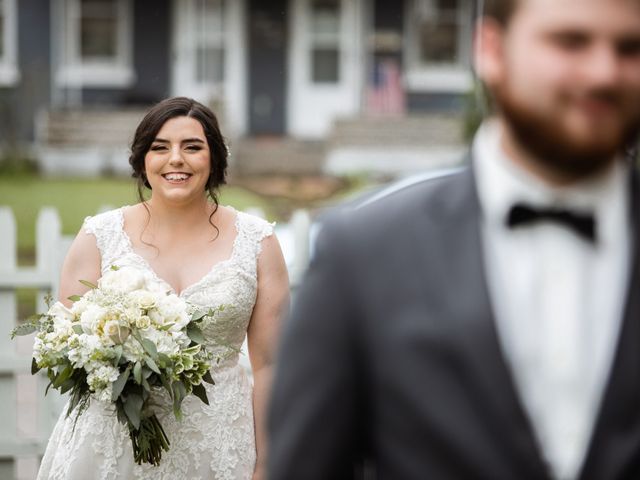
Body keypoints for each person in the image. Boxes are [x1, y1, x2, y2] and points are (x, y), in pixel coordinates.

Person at [268, 0, 640, 479]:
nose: (603, 74)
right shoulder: (363, 255)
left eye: (630, 48)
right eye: (570, 42)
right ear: (490, 49)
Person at [37, 97, 289, 480]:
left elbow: (271, 366)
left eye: (192, 147)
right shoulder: (98, 238)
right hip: (114, 443)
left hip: (219, 446)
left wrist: (267, 463)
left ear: (215, 159)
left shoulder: (258, 242)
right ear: (142, 159)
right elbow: (71, 351)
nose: (176, 159)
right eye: (160, 147)